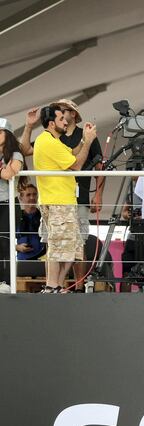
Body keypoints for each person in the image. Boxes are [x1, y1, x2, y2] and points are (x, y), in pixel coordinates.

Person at [21, 100, 105, 292]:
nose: (65, 121)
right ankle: (51, 285)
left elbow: (73, 152)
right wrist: (89, 141)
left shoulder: (54, 141)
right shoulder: (46, 141)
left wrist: (85, 139)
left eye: (66, 115)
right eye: (61, 118)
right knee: (58, 246)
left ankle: (57, 285)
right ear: (52, 123)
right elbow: (76, 164)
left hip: (65, 201)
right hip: (58, 201)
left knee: (73, 247)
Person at [0, 118, 24, 293]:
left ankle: (6, 282)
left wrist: (4, 168)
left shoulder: (15, 154)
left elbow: (9, 174)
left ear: (7, 135)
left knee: (5, 243)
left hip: (8, 203)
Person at [16, 184, 46, 278]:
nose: (32, 197)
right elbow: (4, 240)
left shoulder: (44, 215)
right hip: (22, 262)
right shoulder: (15, 217)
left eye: (34, 194)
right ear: (20, 198)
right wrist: (17, 247)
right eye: (28, 195)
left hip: (43, 260)